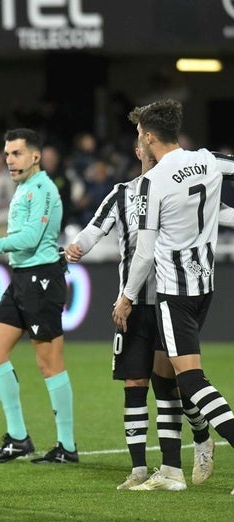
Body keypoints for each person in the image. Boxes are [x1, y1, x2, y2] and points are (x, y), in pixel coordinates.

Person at [66, 140, 217, 490]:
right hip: (132, 306)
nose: (142, 145)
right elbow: (95, 227)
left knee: (171, 385)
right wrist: (78, 248)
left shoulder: (174, 187)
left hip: (168, 298)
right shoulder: (123, 194)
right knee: (135, 384)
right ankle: (138, 469)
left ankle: (189, 448)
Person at [112, 98, 234, 494]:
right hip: (205, 287)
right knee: (169, 377)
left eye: (138, 137)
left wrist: (127, 297)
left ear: (148, 138)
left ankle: (203, 445)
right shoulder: (208, 160)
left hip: (174, 292)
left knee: (191, 380)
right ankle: (172, 471)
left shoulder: (152, 182)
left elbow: (145, 252)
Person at [0, 128, 77, 465]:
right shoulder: (25, 188)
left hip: (42, 281)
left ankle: (66, 446)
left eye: (17, 153)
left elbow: (31, 237)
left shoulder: (43, 189)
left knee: (49, 364)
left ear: (35, 156)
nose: (10, 160)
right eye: (7, 154)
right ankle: (19, 438)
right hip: (22, 278)